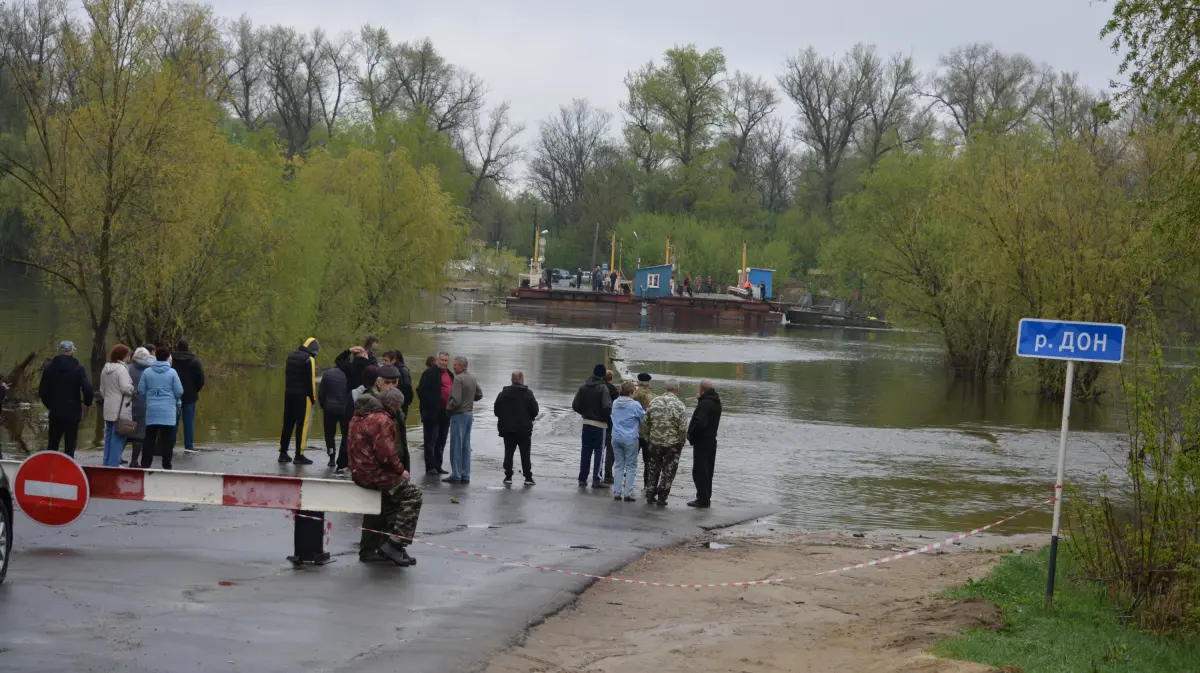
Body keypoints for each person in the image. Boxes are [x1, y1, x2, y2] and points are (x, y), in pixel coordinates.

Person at [348, 387, 422, 567]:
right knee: (413, 495)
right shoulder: (381, 420)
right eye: (398, 407)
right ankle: (394, 544)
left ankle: (383, 547)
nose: (399, 410)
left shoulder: (359, 415)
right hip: (374, 475)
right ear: (391, 404)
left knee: (390, 503)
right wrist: (400, 470)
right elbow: (386, 454)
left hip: (359, 471)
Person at [38, 341, 94, 457]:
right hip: (73, 413)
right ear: (72, 352)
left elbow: (42, 391)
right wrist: (85, 404)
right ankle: (68, 472)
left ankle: (51, 470)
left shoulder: (50, 368)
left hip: (55, 413)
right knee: (70, 446)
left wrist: (50, 405)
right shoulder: (78, 368)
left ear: (60, 351)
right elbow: (88, 390)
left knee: (53, 445)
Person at [643, 378, 688, 505]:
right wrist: (682, 441)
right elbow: (683, 427)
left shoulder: (654, 402)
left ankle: (650, 494)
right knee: (669, 470)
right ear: (677, 389)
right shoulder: (680, 405)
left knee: (652, 469)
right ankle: (662, 497)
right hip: (672, 444)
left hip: (654, 442)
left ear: (665, 388)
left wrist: (647, 438)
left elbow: (645, 422)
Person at [139, 347, 184, 470]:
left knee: (149, 438)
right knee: (167, 440)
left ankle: (146, 464)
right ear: (167, 357)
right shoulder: (172, 373)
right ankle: (166, 464)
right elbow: (179, 392)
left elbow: (141, 390)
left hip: (152, 410)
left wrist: (150, 397)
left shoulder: (147, 372)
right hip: (168, 411)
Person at [493, 370, 539, 486]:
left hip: (508, 429)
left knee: (508, 453)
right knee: (525, 453)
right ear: (522, 380)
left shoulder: (503, 394)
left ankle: (508, 476)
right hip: (524, 429)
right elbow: (535, 410)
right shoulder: (528, 393)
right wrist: (529, 418)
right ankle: (528, 477)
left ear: (512, 380)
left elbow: (496, 410)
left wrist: (504, 418)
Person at [279, 337, 320, 465]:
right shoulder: (309, 360)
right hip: (303, 397)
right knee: (302, 426)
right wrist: (313, 399)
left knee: (287, 424)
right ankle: (299, 455)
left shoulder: (291, 356)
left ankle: (283, 453)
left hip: (288, 394)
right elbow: (311, 382)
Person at [572, 364, 611, 488]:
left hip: (586, 423)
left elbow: (575, 405)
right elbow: (607, 406)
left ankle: (582, 479)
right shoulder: (603, 388)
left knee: (585, 451)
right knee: (599, 452)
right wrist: (606, 419)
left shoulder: (583, 387)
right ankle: (596, 479)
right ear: (603, 375)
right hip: (600, 425)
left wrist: (584, 413)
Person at [444, 356, 482, 484]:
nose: (453, 367)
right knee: (466, 445)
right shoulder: (472, 377)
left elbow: (456, 400)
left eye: (456, 365)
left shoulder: (458, 379)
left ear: (462, 366)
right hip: (469, 414)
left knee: (456, 445)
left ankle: (455, 474)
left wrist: (448, 409)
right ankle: (465, 474)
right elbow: (479, 394)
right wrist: (470, 399)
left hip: (459, 415)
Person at [687, 379, 722, 508]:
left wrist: (691, 435)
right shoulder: (715, 401)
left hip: (702, 441)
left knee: (699, 470)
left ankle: (702, 499)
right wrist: (700, 400)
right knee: (708, 469)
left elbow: (700, 422)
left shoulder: (706, 403)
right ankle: (706, 497)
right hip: (712, 440)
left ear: (701, 389)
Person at [417, 352, 453, 475]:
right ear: (437, 360)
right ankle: (430, 467)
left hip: (445, 413)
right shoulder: (429, 373)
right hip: (432, 413)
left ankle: (438, 465)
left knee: (441, 440)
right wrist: (430, 406)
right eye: (442, 360)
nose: (444, 362)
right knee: (430, 440)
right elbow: (420, 391)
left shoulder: (450, 374)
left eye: (446, 360)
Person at [610, 381, 646, 502]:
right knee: (631, 466)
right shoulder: (635, 405)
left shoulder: (615, 403)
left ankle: (617, 492)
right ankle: (628, 493)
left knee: (619, 465)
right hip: (630, 438)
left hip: (616, 437)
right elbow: (643, 419)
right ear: (631, 392)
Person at [99, 344, 135, 467]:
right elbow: (125, 388)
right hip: (120, 408)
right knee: (119, 437)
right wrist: (132, 388)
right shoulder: (122, 369)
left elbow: (102, 390)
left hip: (108, 406)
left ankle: (107, 462)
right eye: (129, 354)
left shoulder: (105, 368)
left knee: (109, 436)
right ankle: (114, 463)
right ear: (125, 356)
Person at [170, 338, 205, 455]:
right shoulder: (195, 360)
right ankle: (189, 446)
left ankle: (170, 445)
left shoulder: (171, 359)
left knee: (173, 421)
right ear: (188, 347)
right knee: (188, 422)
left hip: (173, 395)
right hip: (190, 395)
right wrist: (196, 390)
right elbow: (200, 379)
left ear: (176, 347)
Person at [318, 354, 351, 469]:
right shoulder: (349, 375)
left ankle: (331, 457)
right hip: (345, 410)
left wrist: (324, 406)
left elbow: (321, 393)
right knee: (345, 434)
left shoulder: (328, 373)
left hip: (329, 409)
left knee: (329, 434)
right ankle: (344, 458)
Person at [127, 347, 154, 466]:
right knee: (139, 435)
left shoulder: (127, 368)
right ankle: (134, 460)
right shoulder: (149, 371)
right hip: (143, 404)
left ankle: (115, 458)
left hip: (128, 404)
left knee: (124, 431)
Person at [631, 373, 656, 460]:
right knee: (648, 461)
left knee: (631, 460)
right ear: (648, 383)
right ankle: (647, 474)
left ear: (638, 382)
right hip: (648, 432)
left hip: (635, 432)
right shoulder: (654, 396)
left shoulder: (633, 394)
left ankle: (628, 474)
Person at [381, 350, 414, 416]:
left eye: (386, 360)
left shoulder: (402, 370)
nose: (384, 363)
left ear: (393, 360)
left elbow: (407, 385)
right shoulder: (389, 369)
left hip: (401, 400)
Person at [602, 370, 619, 484]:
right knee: (610, 451)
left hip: (598, 422)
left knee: (599, 450)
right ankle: (608, 475)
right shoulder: (614, 390)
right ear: (611, 379)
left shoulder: (598, 388)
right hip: (611, 423)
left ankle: (596, 473)